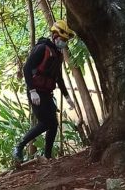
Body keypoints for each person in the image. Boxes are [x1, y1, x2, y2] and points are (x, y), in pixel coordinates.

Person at [13, 20, 78, 165]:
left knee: (54, 124)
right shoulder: (42, 48)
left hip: (47, 93)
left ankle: (48, 157)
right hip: (36, 92)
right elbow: (26, 68)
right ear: (55, 36)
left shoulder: (58, 54)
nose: (64, 43)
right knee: (45, 122)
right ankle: (19, 146)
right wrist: (32, 91)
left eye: (66, 41)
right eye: (62, 39)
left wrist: (67, 97)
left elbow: (59, 77)